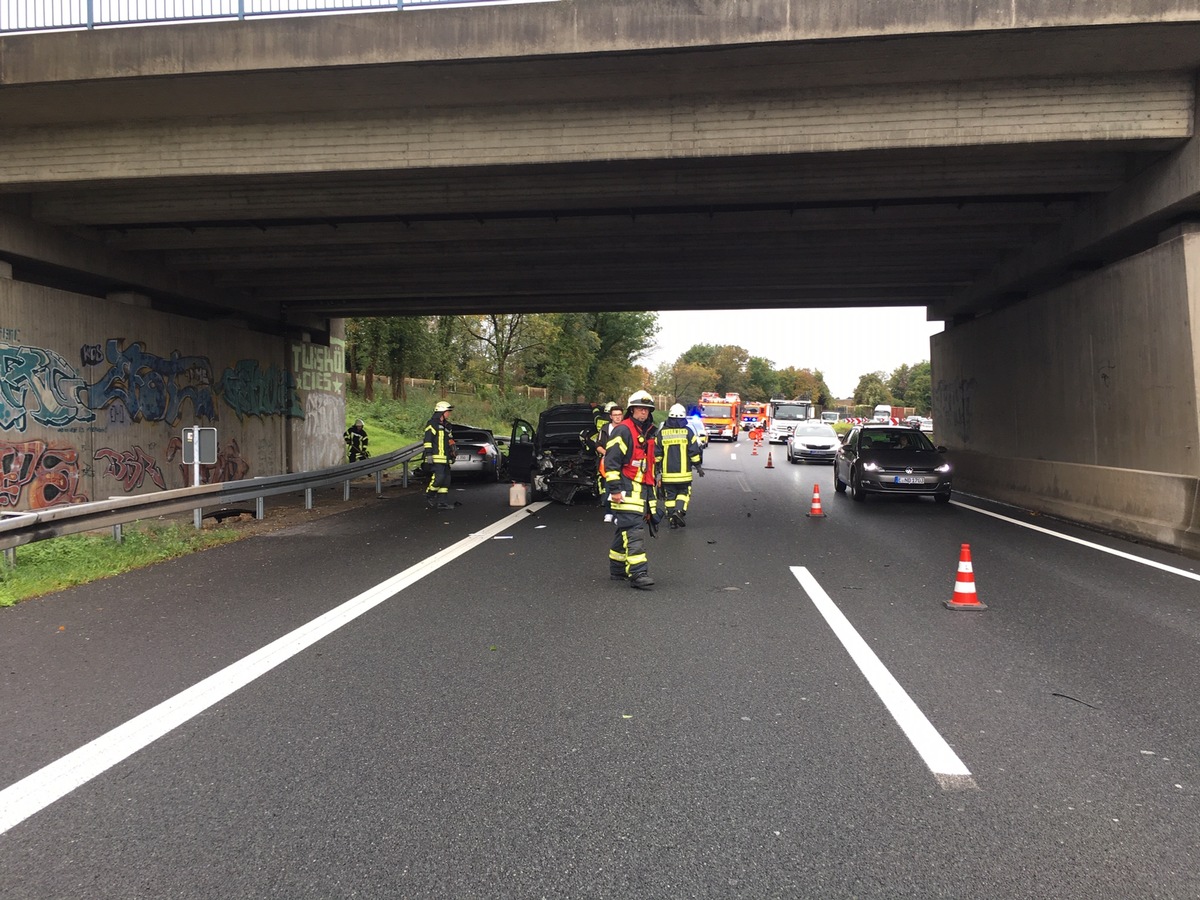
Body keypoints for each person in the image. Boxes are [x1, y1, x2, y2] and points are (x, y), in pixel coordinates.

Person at [603, 390, 660, 590]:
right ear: (632, 410)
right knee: (634, 531)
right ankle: (638, 573)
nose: (643, 412)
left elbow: (651, 463)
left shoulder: (649, 432)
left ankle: (617, 569)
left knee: (625, 528)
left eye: (646, 409)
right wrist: (615, 490)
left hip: (641, 490)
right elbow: (611, 462)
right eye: (639, 409)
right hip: (626, 490)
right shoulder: (624, 430)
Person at [657, 403, 703, 528]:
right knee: (684, 492)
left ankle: (672, 520)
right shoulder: (688, 432)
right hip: (684, 474)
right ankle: (679, 511)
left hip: (668, 474)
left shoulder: (662, 433)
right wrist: (698, 466)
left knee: (670, 496)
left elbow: (657, 454)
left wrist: (656, 470)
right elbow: (693, 452)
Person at [593, 401, 625, 522]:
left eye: (619, 414)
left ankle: (618, 515)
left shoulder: (626, 429)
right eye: (615, 415)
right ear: (610, 416)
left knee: (621, 488)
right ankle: (608, 512)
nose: (617, 417)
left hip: (623, 464)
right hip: (607, 463)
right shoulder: (605, 429)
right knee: (608, 487)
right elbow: (598, 445)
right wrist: (608, 453)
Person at [423, 400, 456, 510]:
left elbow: (450, 440)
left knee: (446, 480)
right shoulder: (432, 424)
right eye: (447, 411)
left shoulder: (447, 426)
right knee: (439, 478)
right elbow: (428, 440)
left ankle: (442, 502)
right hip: (436, 457)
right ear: (441, 411)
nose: (449, 413)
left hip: (446, 458)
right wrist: (429, 454)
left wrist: (453, 452)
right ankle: (429, 495)